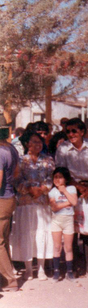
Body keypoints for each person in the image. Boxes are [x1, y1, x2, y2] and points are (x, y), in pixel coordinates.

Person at [55, 118, 88, 279]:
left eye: (74, 131)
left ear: (82, 132)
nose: (71, 134)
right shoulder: (63, 148)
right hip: (70, 189)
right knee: (71, 229)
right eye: (68, 131)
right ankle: (75, 267)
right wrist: (76, 187)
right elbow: (61, 171)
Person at [10, 131, 54, 280]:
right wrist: (29, 189)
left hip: (42, 202)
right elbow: (16, 180)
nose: (38, 144)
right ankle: (29, 268)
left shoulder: (48, 160)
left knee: (41, 233)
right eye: (34, 142)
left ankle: (41, 268)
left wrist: (41, 190)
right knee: (27, 234)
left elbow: (51, 179)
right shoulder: (20, 161)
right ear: (27, 144)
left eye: (40, 142)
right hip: (25, 202)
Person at [48, 167, 78, 283]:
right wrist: (67, 203)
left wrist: (64, 191)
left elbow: (74, 202)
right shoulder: (52, 192)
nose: (57, 180)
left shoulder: (71, 188)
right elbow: (54, 207)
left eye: (60, 177)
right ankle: (56, 272)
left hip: (68, 220)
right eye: (55, 177)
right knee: (57, 247)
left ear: (65, 179)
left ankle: (69, 272)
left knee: (68, 247)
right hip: (56, 220)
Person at [1, 124, 20, 291]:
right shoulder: (11, 148)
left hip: (1, 200)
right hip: (10, 197)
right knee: (3, 239)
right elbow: (16, 173)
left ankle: (9, 280)